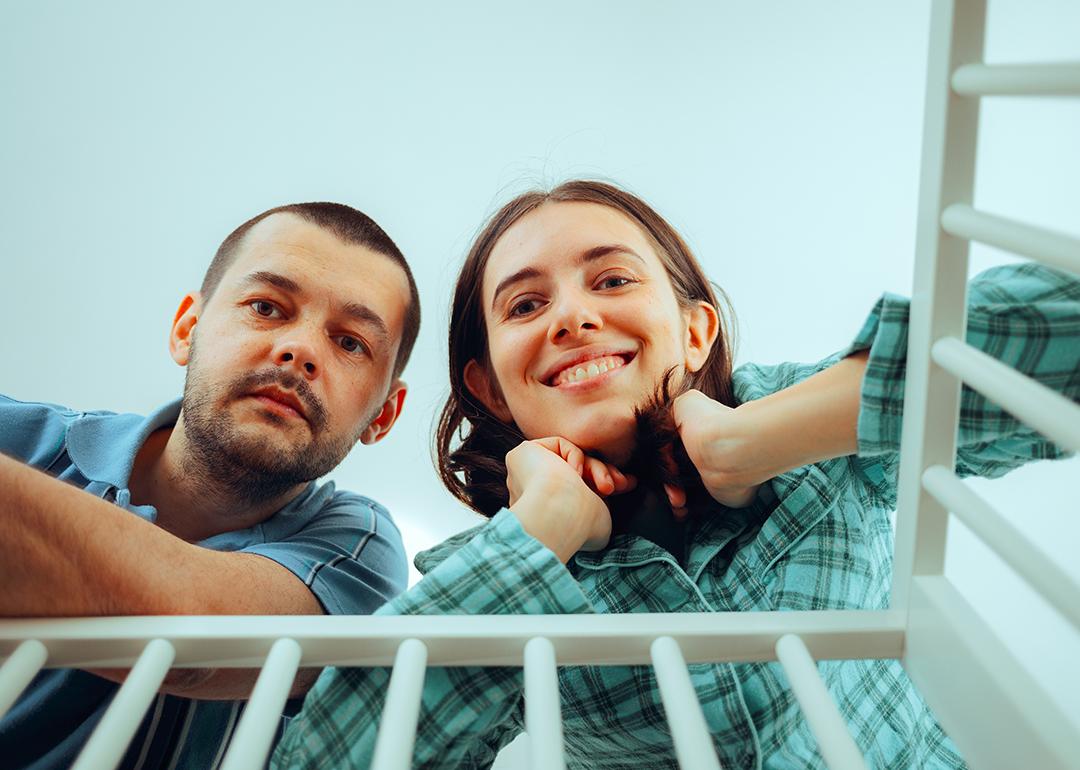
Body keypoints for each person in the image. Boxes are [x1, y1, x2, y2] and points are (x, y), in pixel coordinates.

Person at [272, 181, 1079, 769]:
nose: (571, 318)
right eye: (523, 306)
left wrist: (758, 440)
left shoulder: (816, 440)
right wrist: (538, 532)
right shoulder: (505, 578)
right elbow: (324, 760)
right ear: (490, 389)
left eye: (613, 279)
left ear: (695, 334)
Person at [0, 202, 420, 769]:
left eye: (350, 343)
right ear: (187, 330)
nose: (299, 352)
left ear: (383, 415)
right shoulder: (20, 437)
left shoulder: (357, 544)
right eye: (267, 307)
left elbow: (192, 638)